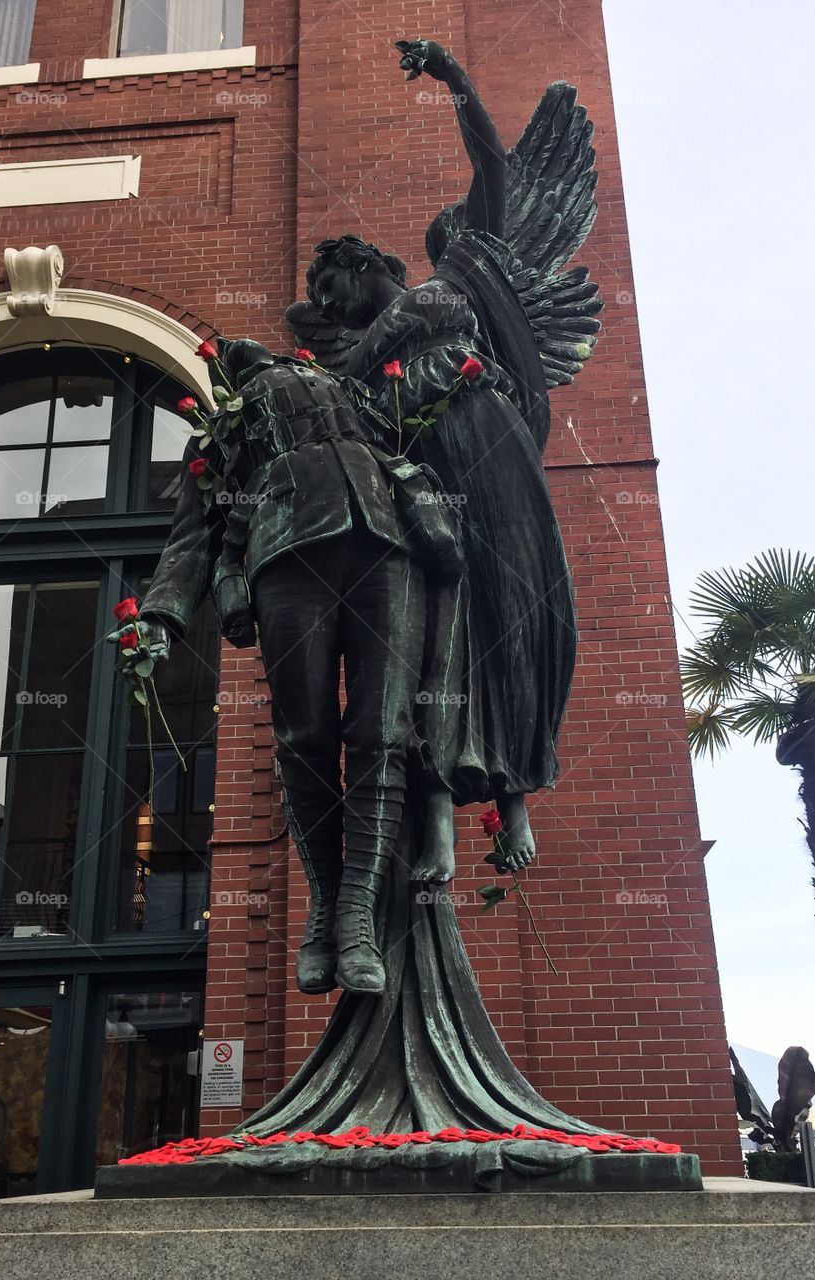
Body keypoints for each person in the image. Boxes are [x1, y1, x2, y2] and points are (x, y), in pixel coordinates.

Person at [289, 40, 579, 870]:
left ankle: (517, 801)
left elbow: (493, 167)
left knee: (512, 606)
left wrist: (455, 82)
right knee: (435, 634)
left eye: (328, 287)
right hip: (428, 474)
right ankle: (443, 814)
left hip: (491, 440)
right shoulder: (346, 357)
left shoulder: (459, 264)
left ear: (362, 265)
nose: (323, 305)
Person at [137, 340, 462, 998]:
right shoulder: (219, 429)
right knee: (303, 736)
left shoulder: (357, 392)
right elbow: (193, 534)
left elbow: (431, 391)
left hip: (385, 542)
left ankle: (356, 918)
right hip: (285, 552)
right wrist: (161, 616)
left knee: (382, 729)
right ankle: (325, 903)